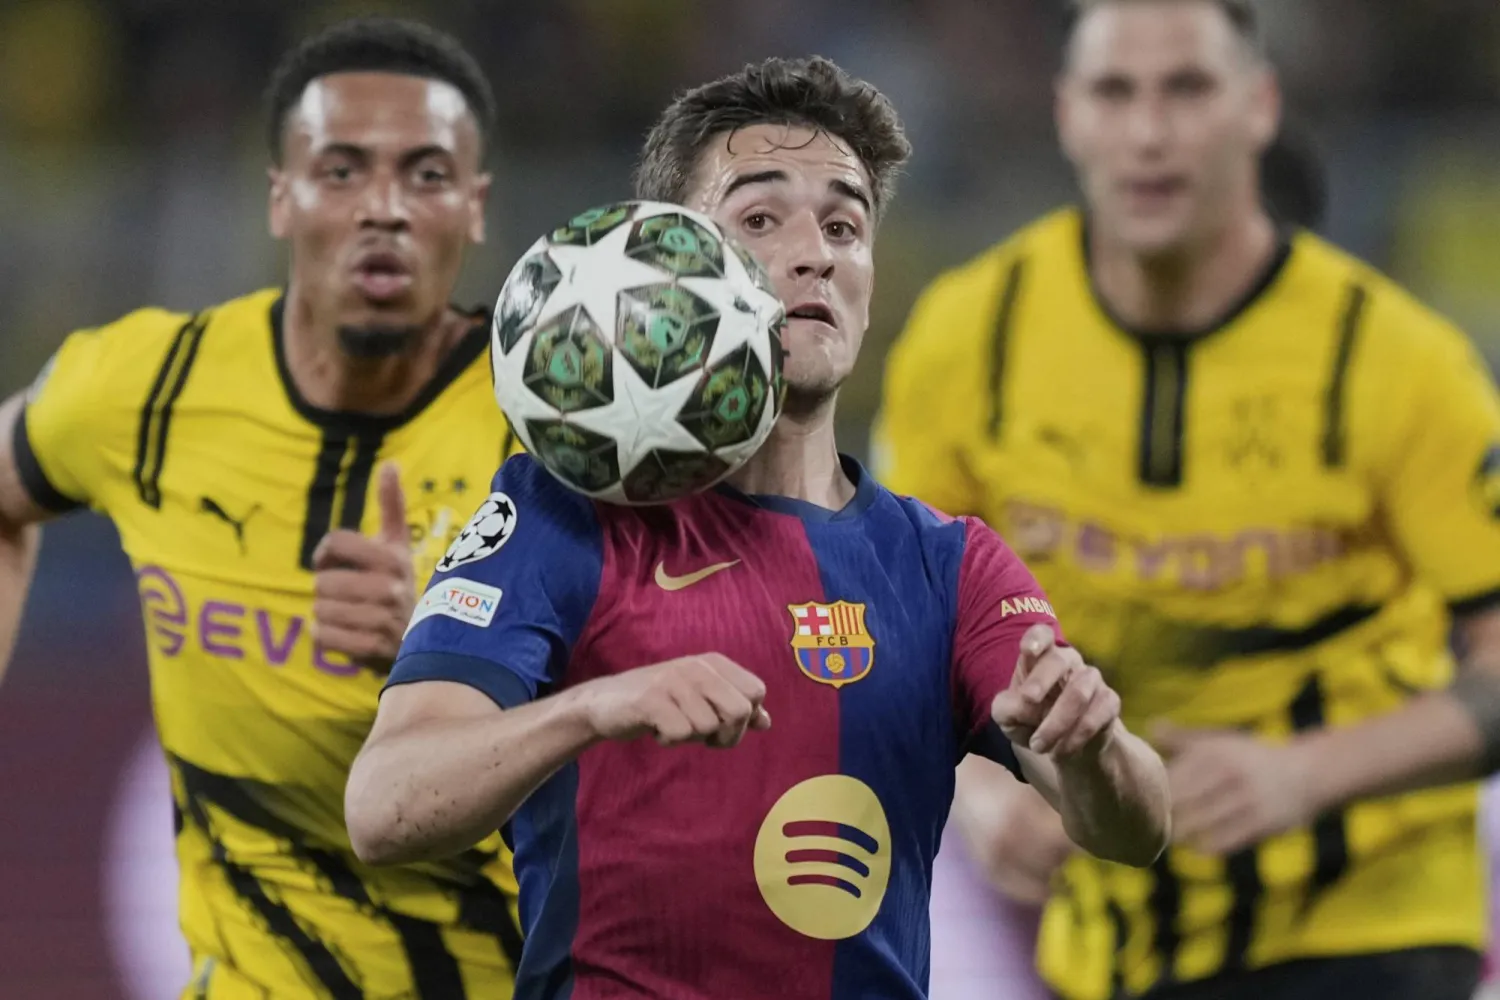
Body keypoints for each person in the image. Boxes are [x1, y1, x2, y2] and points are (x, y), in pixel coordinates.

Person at [344, 55, 1172, 1000]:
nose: (816, 253)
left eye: (844, 226)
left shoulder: (949, 564)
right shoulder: (562, 512)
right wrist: (592, 709)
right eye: (761, 220)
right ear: (672, 262)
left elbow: (1136, 827)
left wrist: (1091, 746)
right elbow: (385, 806)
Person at [874, 2, 1500, 999]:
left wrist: (1307, 774)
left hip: (1368, 922)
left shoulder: (1395, 362)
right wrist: (983, 795)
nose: (1150, 132)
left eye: (1189, 88)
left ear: (1260, 106)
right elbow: (898, 633)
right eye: (1116, 92)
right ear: (1068, 113)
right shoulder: (968, 341)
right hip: (1106, 943)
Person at [0, 17, 526, 998]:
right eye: (341, 171)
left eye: (425, 174)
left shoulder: (551, 429)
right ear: (280, 197)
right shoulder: (149, 388)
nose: (384, 209)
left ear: (476, 205)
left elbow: (663, 727)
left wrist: (447, 654)